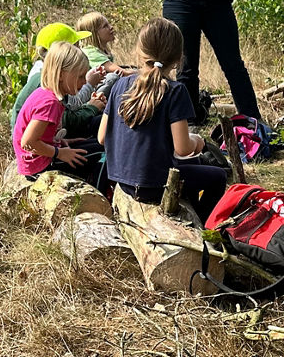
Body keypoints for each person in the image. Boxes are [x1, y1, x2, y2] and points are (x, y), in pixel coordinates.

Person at [99, 18, 229, 219]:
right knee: (218, 176)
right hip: (155, 184)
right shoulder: (176, 91)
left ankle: (186, 213)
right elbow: (183, 149)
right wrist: (197, 141)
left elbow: (101, 137)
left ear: (139, 52)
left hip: (121, 180)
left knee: (193, 170)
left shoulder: (119, 85)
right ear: (178, 59)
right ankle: (203, 224)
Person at [13, 41, 103, 184]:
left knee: (96, 143)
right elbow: (28, 142)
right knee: (103, 153)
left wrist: (60, 142)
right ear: (61, 75)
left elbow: (40, 136)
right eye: (80, 77)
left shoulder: (47, 93)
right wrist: (59, 153)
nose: (84, 82)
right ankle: (99, 195)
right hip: (41, 166)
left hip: (45, 155)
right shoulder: (50, 103)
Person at [10, 22, 106, 136]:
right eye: (76, 47)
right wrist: (91, 107)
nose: (80, 50)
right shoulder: (45, 87)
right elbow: (66, 121)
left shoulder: (51, 75)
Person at [76, 11, 134, 94]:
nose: (111, 27)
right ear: (94, 33)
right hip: (90, 94)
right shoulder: (91, 52)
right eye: (105, 26)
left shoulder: (101, 51)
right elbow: (123, 73)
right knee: (113, 77)